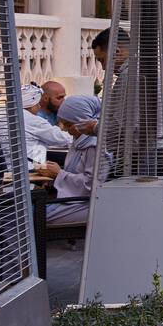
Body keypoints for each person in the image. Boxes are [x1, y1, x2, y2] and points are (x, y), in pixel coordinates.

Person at [36, 95, 107, 226]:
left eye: (68, 124)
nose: (64, 129)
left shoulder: (94, 145)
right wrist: (53, 179)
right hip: (74, 199)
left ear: (83, 123)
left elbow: (92, 185)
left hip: (84, 203)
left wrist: (58, 174)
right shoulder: (79, 142)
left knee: (34, 216)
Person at [22, 83, 72, 170]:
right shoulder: (33, 120)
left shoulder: (16, 116)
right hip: (29, 169)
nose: (39, 106)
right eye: (37, 103)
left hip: (24, 164)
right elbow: (62, 138)